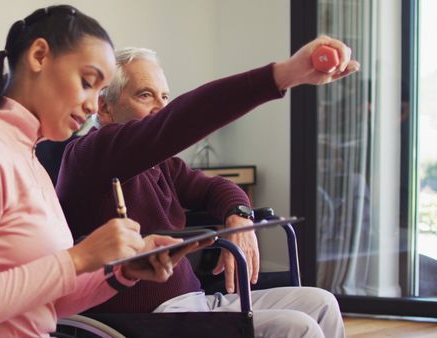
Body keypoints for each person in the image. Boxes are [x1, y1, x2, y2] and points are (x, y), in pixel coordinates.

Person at [0, 5, 200, 338]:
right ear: (39, 56)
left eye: (99, 91)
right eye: (87, 82)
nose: (94, 105)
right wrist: (79, 257)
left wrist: (121, 273)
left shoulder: (27, 157)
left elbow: (47, 303)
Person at [56, 41, 359, 338]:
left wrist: (239, 216)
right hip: (150, 319)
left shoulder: (162, 165)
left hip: (195, 301)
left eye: (165, 97)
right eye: (145, 95)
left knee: (322, 303)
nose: (161, 107)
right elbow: (177, 120)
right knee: (296, 327)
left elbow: (216, 187)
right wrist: (283, 74)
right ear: (104, 107)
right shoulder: (91, 154)